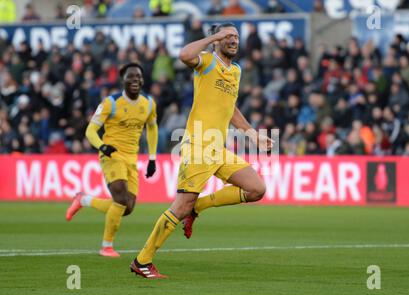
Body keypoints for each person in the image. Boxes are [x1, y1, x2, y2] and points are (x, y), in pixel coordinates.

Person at [130, 23, 273, 279]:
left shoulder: (236, 71)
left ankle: (198, 208)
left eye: (236, 37)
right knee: (180, 206)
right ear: (217, 40)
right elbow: (184, 55)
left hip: (218, 148)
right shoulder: (206, 61)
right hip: (198, 146)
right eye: (227, 36)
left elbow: (230, 109)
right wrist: (213, 37)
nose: (233, 40)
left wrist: (253, 135)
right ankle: (142, 261)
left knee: (256, 189)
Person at [65, 63, 158, 258]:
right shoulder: (111, 103)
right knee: (121, 199)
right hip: (111, 155)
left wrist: (152, 158)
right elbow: (90, 130)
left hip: (131, 158)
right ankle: (106, 246)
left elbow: (152, 128)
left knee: (128, 207)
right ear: (122, 80)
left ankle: (84, 199)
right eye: (130, 77)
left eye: (138, 77)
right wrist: (102, 146)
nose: (135, 80)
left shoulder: (148, 103)